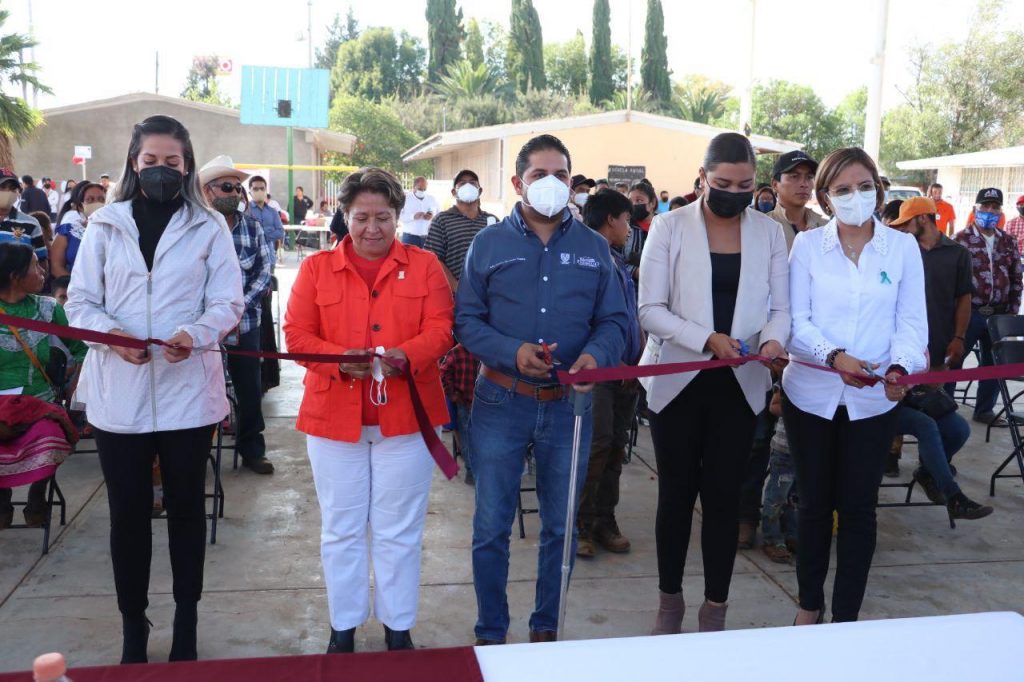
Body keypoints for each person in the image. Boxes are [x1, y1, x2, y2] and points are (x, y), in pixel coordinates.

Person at [65, 114, 244, 664]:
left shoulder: (208, 226)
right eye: (151, 161)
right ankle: (133, 627)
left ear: (186, 166)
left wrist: (196, 332)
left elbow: (228, 302)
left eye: (172, 161)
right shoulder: (105, 225)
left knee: (187, 511)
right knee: (128, 515)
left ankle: (186, 622)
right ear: (133, 162)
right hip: (119, 398)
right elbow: (80, 303)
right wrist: (113, 337)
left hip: (188, 396)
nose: (161, 170)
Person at [456, 133, 628, 645]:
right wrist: (511, 351)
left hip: (569, 407)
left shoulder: (594, 249)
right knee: (491, 526)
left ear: (571, 183)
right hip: (500, 401)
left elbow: (616, 321)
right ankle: (491, 632)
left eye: (561, 175)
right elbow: (466, 321)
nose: (551, 184)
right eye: (539, 175)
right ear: (518, 182)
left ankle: (545, 630)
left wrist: (597, 354)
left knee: (560, 526)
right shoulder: (488, 244)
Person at [284, 167, 454, 654]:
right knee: (341, 528)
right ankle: (344, 625)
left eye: (383, 217)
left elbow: (442, 328)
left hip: (407, 421)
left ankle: (398, 627)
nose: (372, 228)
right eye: (361, 217)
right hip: (333, 422)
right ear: (345, 216)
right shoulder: (316, 269)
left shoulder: (425, 266)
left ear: (398, 216)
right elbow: (296, 334)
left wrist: (408, 355)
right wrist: (338, 360)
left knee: (399, 530)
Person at [640, 132, 790, 635]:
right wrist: (706, 339)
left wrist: (773, 341)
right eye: (723, 184)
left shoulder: (769, 232)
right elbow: (650, 310)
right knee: (676, 498)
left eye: (745, 185)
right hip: (678, 382)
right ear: (703, 177)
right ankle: (669, 603)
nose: (734, 193)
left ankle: (715, 609)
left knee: (724, 500)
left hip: (740, 385)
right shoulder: (670, 226)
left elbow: (781, 308)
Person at [784, 147, 927, 625]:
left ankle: (846, 618)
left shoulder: (902, 249)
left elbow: (911, 324)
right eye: (842, 189)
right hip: (811, 396)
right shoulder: (807, 247)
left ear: (879, 190)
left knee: (859, 509)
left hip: (873, 402)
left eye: (864, 186)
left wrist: (901, 368)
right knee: (813, 505)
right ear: (825, 196)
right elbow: (797, 322)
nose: (855, 196)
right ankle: (808, 606)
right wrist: (834, 356)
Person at [888, 197, 993, 523]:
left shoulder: (957, 253)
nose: (902, 229)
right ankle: (948, 491)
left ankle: (930, 471)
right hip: (898, 361)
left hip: (936, 355)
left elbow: (964, 299)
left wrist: (959, 338)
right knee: (925, 424)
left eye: (906, 222)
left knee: (955, 428)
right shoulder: (900, 253)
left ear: (923, 218)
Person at [0, 243, 86, 529]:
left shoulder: (48, 309)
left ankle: (37, 498)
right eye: (35, 266)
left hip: (39, 406)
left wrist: (76, 389)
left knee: (52, 433)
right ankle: (2, 500)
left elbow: (83, 349)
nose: (42, 272)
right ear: (14, 277)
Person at [577, 189, 643, 558]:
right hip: (599, 371)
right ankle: (581, 524)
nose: (629, 229)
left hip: (627, 371)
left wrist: (636, 357)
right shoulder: (587, 261)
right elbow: (591, 322)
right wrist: (613, 361)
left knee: (616, 447)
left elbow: (630, 315)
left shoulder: (616, 260)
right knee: (597, 445)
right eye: (626, 220)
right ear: (610, 220)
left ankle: (605, 519)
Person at [199, 155, 274, 475]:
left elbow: (264, 271)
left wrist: (237, 307)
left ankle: (252, 449)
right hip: (202, 327)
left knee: (249, 389)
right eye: (226, 187)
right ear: (207, 191)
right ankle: (196, 452)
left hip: (246, 324)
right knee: (201, 389)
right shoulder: (194, 228)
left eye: (236, 188)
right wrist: (213, 315)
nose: (235, 194)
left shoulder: (252, 227)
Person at [424, 169, 497, 485]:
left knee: (490, 379)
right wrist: (459, 288)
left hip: (492, 312)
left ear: (480, 189)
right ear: (454, 192)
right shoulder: (442, 221)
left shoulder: (492, 221)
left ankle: (493, 454)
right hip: (456, 306)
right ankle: (470, 459)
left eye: (472, 184)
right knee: (463, 382)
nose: (468, 189)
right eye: (462, 184)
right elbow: (433, 258)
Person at [953, 187, 1022, 425]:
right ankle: (946, 408)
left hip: (999, 314)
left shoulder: (1008, 241)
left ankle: (984, 410)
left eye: (995, 207)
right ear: (976, 208)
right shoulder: (960, 240)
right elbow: (952, 280)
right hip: (969, 313)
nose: (990, 211)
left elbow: (1016, 277)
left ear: (1000, 211)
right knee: (955, 360)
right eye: (985, 206)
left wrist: (1012, 311)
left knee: (993, 363)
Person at [761, 387, 797, 563]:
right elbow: (774, 406)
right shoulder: (789, 380)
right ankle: (772, 538)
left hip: (808, 452)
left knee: (795, 498)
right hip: (785, 450)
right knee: (777, 496)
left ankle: (792, 534)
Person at [768, 151, 829, 251]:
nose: (804, 184)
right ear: (775, 185)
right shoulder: (764, 227)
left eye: (809, 177)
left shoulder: (825, 226)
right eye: (794, 176)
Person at [51, 182, 105, 277]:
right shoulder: (67, 230)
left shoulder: (117, 231)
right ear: (80, 206)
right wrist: (76, 284)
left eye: (101, 199)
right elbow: (56, 267)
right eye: (90, 199)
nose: (96, 203)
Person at [0, 168, 48, 265]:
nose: (8, 191)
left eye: (13, 188)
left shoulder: (31, 223)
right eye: (2, 187)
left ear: (18, 192)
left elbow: (42, 261)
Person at [246, 175, 286, 269]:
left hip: (269, 258)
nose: (259, 191)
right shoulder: (245, 210)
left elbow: (280, 232)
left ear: (266, 190)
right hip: (249, 260)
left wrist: (262, 237)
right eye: (255, 189)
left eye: (262, 188)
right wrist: (269, 234)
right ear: (250, 192)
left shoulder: (273, 211)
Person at [398, 176, 438, 248]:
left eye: (424, 189)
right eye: (420, 189)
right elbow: (398, 216)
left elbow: (438, 214)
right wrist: (413, 216)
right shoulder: (405, 198)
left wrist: (431, 216)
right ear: (414, 187)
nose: (422, 191)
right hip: (410, 238)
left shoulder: (431, 199)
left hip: (428, 238)